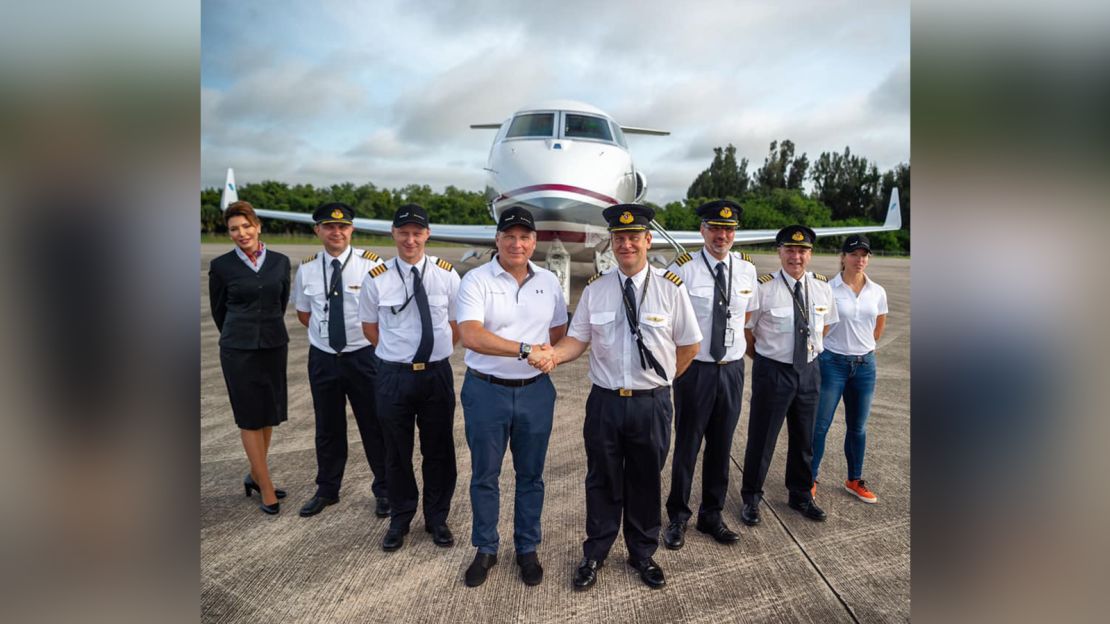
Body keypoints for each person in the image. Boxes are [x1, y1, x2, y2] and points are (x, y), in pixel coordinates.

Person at [531, 204, 701, 591]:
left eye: (633, 238)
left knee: (645, 480)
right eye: (619, 238)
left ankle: (643, 553)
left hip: (651, 403)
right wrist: (554, 354)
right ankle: (596, 552)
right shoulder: (596, 290)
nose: (626, 245)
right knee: (602, 479)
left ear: (647, 240)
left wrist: (661, 382)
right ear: (612, 242)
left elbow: (689, 345)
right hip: (605, 402)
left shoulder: (670, 289)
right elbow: (578, 339)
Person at [455, 206, 568, 587]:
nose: (517, 243)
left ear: (534, 242)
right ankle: (485, 548)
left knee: (531, 476)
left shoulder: (550, 282)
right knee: (485, 475)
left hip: (536, 393)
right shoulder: (476, 280)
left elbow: (558, 330)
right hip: (486, 391)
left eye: (524, 237)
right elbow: (470, 335)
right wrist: (524, 350)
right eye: (509, 236)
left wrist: (546, 357)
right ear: (497, 240)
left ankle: (527, 548)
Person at [359, 203, 461, 552]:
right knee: (395, 452)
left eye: (417, 233)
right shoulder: (377, 278)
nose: (410, 239)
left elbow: (458, 324)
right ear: (393, 234)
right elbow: (370, 328)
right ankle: (400, 518)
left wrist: (435, 352)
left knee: (439, 450)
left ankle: (436, 518)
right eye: (403, 232)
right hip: (393, 376)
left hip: (435, 375)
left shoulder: (447, 275)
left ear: (427, 235)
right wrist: (398, 354)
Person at [662, 200, 758, 550]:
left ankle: (712, 515)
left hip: (732, 369)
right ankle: (678, 516)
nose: (722, 235)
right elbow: (668, 320)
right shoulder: (684, 269)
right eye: (715, 228)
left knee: (722, 445)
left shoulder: (746, 270)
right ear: (702, 230)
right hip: (695, 370)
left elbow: (747, 316)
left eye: (729, 229)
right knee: (687, 444)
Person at [292, 202, 391, 519]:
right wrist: (327, 338)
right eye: (329, 226)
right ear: (317, 230)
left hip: (362, 356)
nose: (336, 231)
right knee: (327, 426)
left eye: (343, 226)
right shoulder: (307, 268)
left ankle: (385, 490)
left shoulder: (372, 266)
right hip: (323, 357)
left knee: (373, 425)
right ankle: (327, 489)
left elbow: (383, 314)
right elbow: (304, 313)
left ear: (352, 229)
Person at [740, 224, 838, 525]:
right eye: (790, 250)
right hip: (773, 371)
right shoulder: (764, 287)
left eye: (803, 250)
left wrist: (807, 353)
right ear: (779, 252)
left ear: (810, 254)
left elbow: (826, 326)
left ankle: (800, 495)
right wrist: (771, 358)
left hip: (809, 370)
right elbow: (748, 331)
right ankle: (752, 498)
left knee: (804, 437)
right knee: (762, 436)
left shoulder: (822, 287)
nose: (796, 256)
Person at [208, 201, 291, 515]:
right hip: (238, 349)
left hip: (273, 344)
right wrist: (239, 334)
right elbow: (220, 311)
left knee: (268, 413)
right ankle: (265, 485)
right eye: (233, 229)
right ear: (229, 233)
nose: (241, 233)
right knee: (249, 416)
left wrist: (264, 329)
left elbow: (281, 302)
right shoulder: (222, 266)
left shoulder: (280, 262)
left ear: (257, 226)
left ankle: (255, 474)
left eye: (246, 226)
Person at [811, 234, 888, 504]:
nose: (860, 260)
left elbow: (877, 328)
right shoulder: (828, 289)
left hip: (865, 365)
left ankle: (854, 479)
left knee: (858, 427)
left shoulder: (877, 291)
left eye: (864, 255)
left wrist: (862, 348)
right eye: (854, 254)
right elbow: (821, 328)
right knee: (820, 425)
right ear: (843, 257)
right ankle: (810, 478)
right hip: (833, 363)